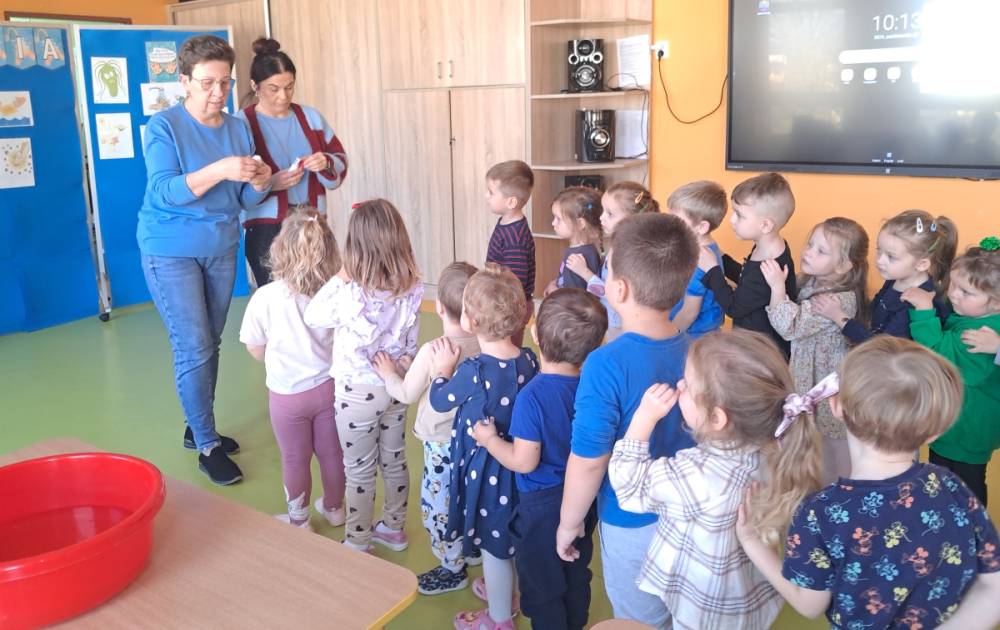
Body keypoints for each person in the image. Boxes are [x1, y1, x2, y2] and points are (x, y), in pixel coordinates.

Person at [737, 337, 1000, 629]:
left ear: (836, 406)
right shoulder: (950, 485)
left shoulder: (819, 512)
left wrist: (751, 542)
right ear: (934, 433)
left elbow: (809, 604)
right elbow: (994, 585)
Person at [610, 330, 824, 629]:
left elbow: (628, 486)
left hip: (701, 609)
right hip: (745, 600)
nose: (679, 386)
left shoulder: (696, 475)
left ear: (716, 419)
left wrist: (644, 418)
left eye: (687, 385)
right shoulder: (777, 448)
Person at [139, 34, 272, 485]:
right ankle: (207, 444)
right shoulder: (164, 126)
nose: (218, 92)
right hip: (169, 248)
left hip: (220, 247)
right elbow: (164, 191)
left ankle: (196, 426)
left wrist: (259, 182)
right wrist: (220, 169)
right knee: (193, 345)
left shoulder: (237, 128)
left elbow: (241, 198)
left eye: (225, 82)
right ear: (184, 82)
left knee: (210, 342)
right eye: (207, 83)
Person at [557, 213, 697, 628]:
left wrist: (569, 522)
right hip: (692, 517)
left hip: (632, 523)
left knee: (638, 621)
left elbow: (589, 461)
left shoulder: (604, 364)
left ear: (618, 290)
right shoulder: (700, 352)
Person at [473, 288, 608, 630]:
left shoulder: (532, 396)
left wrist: (490, 441)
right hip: (583, 498)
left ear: (534, 333)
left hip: (541, 506)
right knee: (575, 569)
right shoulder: (593, 387)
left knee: (541, 584)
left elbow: (524, 461)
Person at [303, 199, 422, 552]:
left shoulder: (349, 292)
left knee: (359, 470)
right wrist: (401, 365)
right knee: (394, 459)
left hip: (357, 396)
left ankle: (357, 540)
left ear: (354, 248)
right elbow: (411, 344)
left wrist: (341, 276)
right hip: (395, 385)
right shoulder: (412, 287)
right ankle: (394, 528)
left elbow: (313, 315)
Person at [428, 264, 540, 630]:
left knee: (494, 548)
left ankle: (499, 617)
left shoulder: (472, 370)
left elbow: (440, 401)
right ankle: (508, 594)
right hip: (520, 468)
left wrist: (441, 371)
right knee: (511, 538)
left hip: (487, 471)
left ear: (470, 322)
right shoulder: (529, 360)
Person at [371, 261, 482, 595]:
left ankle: (452, 567)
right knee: (471, 496)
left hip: (441, 446)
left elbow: (406, 394)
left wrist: (389, 373)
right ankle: (474, 548)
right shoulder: (486, 345)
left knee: (440, 506)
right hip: (478, 443)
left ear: (441, 308)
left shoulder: (432, 351)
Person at [238, 209, 345, 530]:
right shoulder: (333, 293)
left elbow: (254, 346)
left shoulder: (265, 297)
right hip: (329, 387)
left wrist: (272, 357)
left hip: (287, 395)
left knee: (294, 459)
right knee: (332, 454)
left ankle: (299, 520)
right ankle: (335, 508)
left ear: (279, 249)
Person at [763, 217, 869, 482]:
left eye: (821, 251)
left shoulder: (836, 300)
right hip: (807, 378)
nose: (808, 252)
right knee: (810, 442)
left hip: (824, 387)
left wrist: (777, 287)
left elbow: (789, 326)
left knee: (829, 449)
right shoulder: (813, 283)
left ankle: (832, 491)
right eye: (810, 244)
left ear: (843, 266)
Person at [236, 37, 348, 287]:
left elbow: (340, 159)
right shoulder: (240, 124)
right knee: (277, 297)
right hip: (265, 229)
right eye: (274, 89)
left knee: (318, 293)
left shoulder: (311, 117)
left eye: (289, 87)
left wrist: (326, 162)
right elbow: (234, 187)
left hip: (312, 223)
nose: (283, 96)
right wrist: (270, 184)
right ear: (255, 86)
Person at [904, 237, 1000, 505]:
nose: (954, 294)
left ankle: (971, 528)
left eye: (966, 292)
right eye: (954, 285)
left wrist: (924, 310)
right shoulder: (976, 317)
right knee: (946, 483)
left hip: (966, 429)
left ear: (996, 303)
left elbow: (937, 352)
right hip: (961, 424)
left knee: (963, 489)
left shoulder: (981, 334)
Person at [813, 209, 956, 343]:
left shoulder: (915, 303)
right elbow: (875, 308)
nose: (880, 260)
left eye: (891, 257)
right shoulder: (896, 278)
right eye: (879, 250)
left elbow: (880, 346)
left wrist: (838, 316)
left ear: (921, 264)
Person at [697, 172, 797, 357]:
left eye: (739, 215)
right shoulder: (770, 247)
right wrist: (722, 258)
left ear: (765, 225)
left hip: (759, 352)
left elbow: (734, 307)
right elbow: (747, 279)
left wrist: (712, 270)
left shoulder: (768, 264)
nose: (732, 220)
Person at [566, 181, 658, 341]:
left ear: (633, 219)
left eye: (610, 214)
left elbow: (612, 293)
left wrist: (585, 273)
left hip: (618, 321)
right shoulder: (628, 245)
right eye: (603, 211)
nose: (601, 218)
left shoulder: (625, 254)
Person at [666, 180, 728, 337]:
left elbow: (689, 312)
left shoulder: (698, 261)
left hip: (693, 335)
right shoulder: (709, 248)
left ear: (701, 227)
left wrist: (666, 337)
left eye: (676, 220)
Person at [484, 160, 535, 346]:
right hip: (503, 302)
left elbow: (515, 282)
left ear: (511, 202)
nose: (486, 196)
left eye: (491, 192)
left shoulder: (515, 239)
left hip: (511, 307)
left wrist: (502, 309)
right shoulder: (507, 221)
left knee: (508, 348)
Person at [545, 186, 602, 295]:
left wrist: (554, 292)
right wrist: (555, 283)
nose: (553, 223)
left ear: (580, 224)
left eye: (558, 219)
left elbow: (573, 298)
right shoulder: (584, 250)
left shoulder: (577, 258)